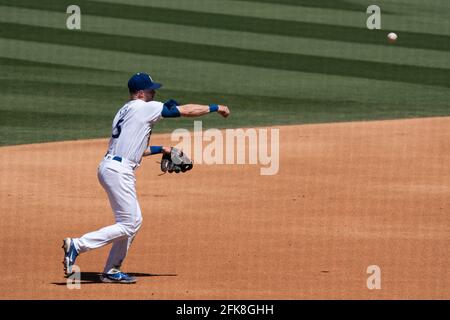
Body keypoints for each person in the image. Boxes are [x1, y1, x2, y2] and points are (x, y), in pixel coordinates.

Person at [62, 72, 230, 283]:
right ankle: (77, 245)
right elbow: (185, 111)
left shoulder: (124, 110)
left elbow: (135, 149)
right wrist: (215, 108)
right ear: (141, 93)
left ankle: (112, 271)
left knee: (130, 221)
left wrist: (164, 149)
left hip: (111, 167)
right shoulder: (144, 107)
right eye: (151, 89)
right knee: (130, 223)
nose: (155, 92)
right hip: (118, 171)